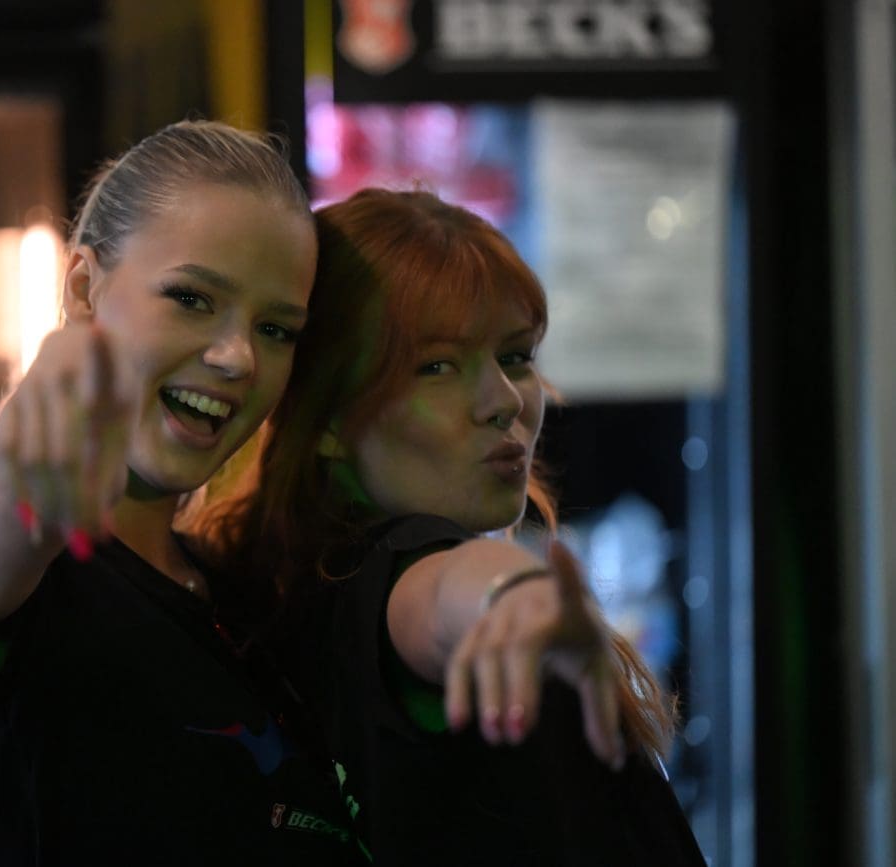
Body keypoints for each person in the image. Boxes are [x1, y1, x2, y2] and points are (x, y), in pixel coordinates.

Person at [0, 120, 364, 866]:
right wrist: (31, 469)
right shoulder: (16, 564)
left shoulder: (237, 590)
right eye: (192, 298)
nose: (237, 356)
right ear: (83, 288)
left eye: (276, 329)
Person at [192, 188, 706, 866]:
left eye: (516, 356)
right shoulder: (388, 572)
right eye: (437, 367)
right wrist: (509, 596)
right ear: (328, 419)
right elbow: (439, 596)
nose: (504, 401)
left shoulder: (298, 586)